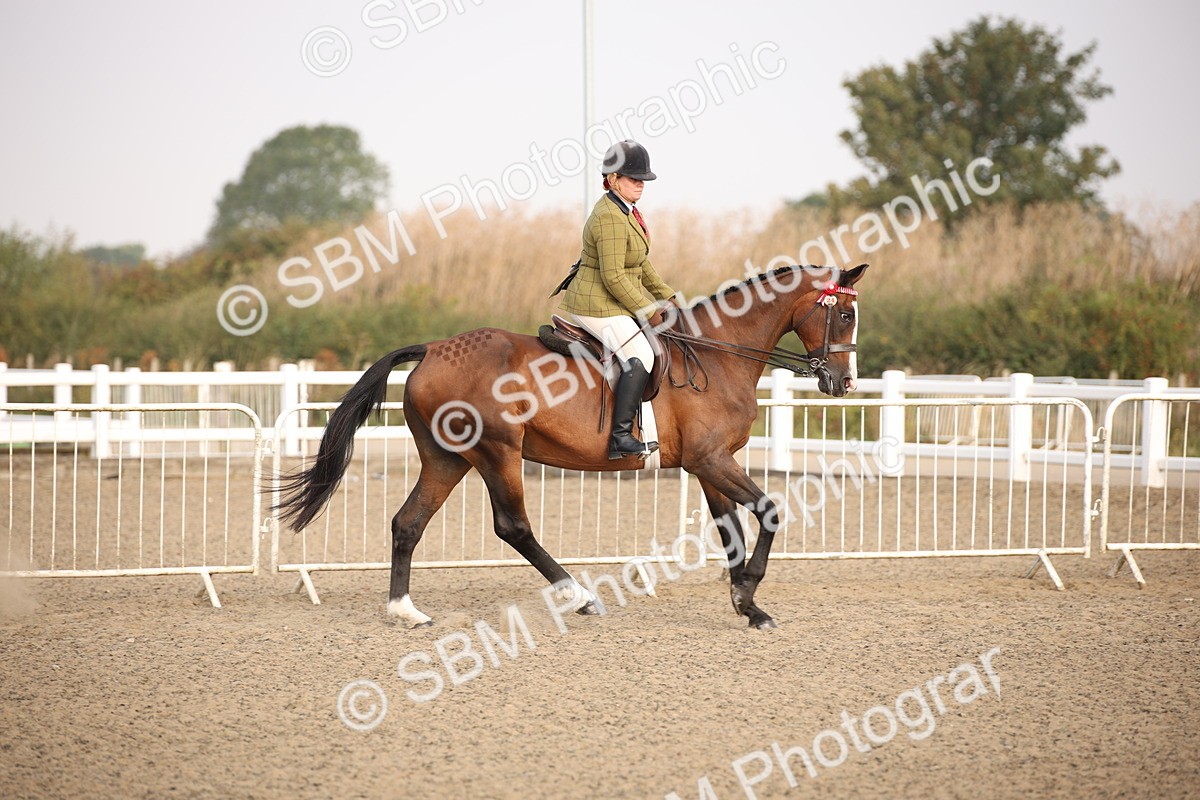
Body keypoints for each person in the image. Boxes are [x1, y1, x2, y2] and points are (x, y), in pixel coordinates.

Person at [557, 140, 676, 459]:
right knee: (641, 353)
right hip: (594, 303)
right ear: (612, 179)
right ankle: (621, 437)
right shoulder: (609, 216)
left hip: (612, 300)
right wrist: (649, 311)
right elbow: (614, 276)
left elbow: (640, 263)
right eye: (632, 178)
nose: (640, 184)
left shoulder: (627, 211)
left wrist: (668, 296)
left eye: (642, 179)